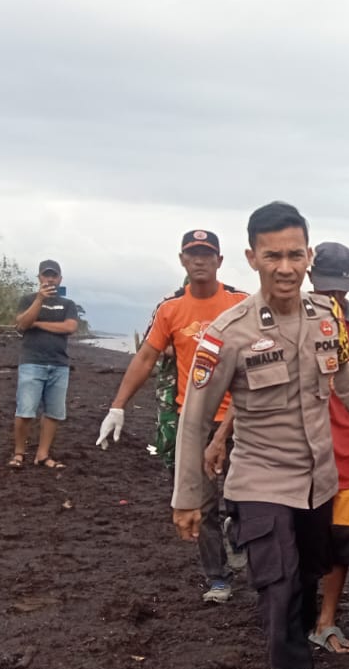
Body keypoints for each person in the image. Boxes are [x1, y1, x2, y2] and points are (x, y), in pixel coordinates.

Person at [171, 201, 349, 669]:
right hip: (260, 482)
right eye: (273, 255)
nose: (286, 266)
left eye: (296, 254)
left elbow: (340, 371)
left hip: (319, 483)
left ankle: (298, 657)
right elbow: (194, 419)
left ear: (310, 256)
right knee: (278, 589)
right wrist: (188, 497)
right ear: (251, 259)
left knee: (305, 584)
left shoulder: (325, 315)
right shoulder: (229, 333)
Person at [96, 230, 247, 603]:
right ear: (182, 260)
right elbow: (146, 358)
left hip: (242, 418)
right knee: (203, 502)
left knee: (247, 497)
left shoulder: (241, 304)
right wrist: (118, 406)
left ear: (220, 261)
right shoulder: (170, 309)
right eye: (193, 254)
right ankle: (218, 578)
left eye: (207, 254)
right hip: (193, 420)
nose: (200, 260)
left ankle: (240, 535)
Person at [306, 242, 349, 654]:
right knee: (297, 535)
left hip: (347, 450)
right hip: (299, 449)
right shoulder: (289, 319)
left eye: (340, 290)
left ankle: (326, 620)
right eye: (325, 289)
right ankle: (294, 613)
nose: (333, 298)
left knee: (343, 541)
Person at [10, 260, 78, 469]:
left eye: (54, 276)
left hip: (59, 364)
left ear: (60, 279)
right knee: (25, 410)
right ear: (39, 277)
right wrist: (39, 299)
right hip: (32, 362)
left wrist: (37, 324)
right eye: (46, 275)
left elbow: (70, 327)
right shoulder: (28, 300)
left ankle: (42, 454)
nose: (50, 279)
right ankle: (19, 453)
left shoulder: (68, 304)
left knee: (54, 413)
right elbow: (22, 324)